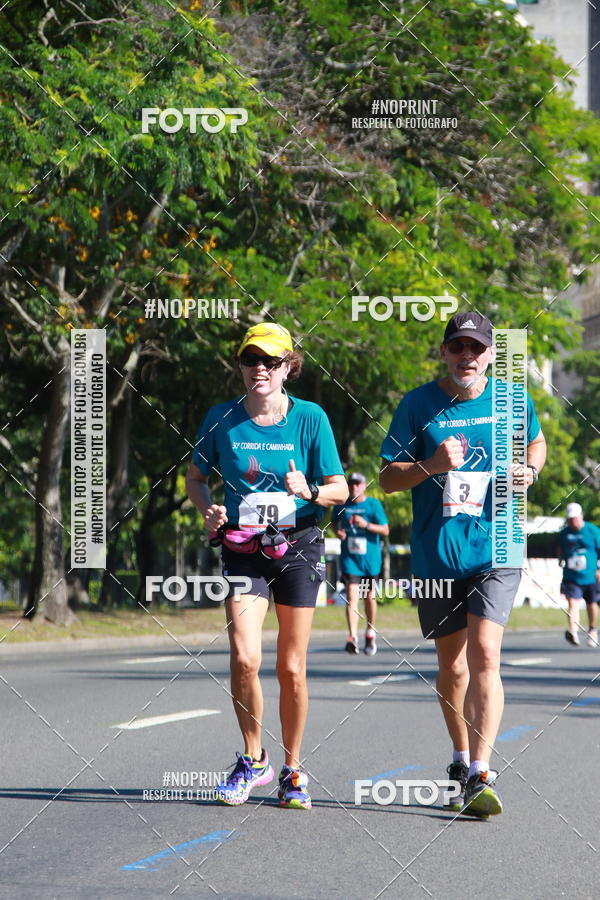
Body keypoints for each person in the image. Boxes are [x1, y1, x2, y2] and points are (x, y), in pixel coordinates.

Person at [379, 312, 546, 818]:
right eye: (458, 348)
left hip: (498, 547)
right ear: (445, 352)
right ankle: (458, 756)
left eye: (476, 348)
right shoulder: (418, 405)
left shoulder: (513, 399)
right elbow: (387, 478)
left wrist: (530, 470)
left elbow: (536, 441)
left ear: (492, 354)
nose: (466, 357)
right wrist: (432, 465)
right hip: (437, 555)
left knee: (485, 656)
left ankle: (480, 770)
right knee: (451, 667)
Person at [186, 322, 347, 810]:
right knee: (244, 656)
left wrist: (312, 492)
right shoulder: (221, 419)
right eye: (250, 359)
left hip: (298, 545)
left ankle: (293, 769)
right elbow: (196, 478)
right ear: (239, 366)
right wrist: (207, 508)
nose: (260, 368)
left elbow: (341, 488)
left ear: (287, 368)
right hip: (242, 547)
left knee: (291, 667)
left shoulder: (311, 418)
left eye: (271, 361)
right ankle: (254, 759)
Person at [332, 473, 389, 655]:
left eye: (357, 484)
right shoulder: (342, 505)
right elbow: (334, 523)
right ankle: (352, 637)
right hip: (350, 559)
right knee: (351, 595)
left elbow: (385, 530)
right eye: (351, 484)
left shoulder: (373, 505)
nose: (354, 487)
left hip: (370, 561)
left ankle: (370, 631)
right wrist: (338, 532)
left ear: (364, 485)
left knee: (369, 596)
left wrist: (366, 525)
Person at [559, 502, 600, 647]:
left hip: (591, 575)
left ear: (581, 516)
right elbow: (561, 549)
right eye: (570, 519)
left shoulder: (593, 531)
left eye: (575, 518)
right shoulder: (564, 533)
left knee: (591, 604)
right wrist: (560, 560)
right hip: (572, 576)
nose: (572, 522)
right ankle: (573, 631)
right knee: (572, 602)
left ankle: (593, 630)